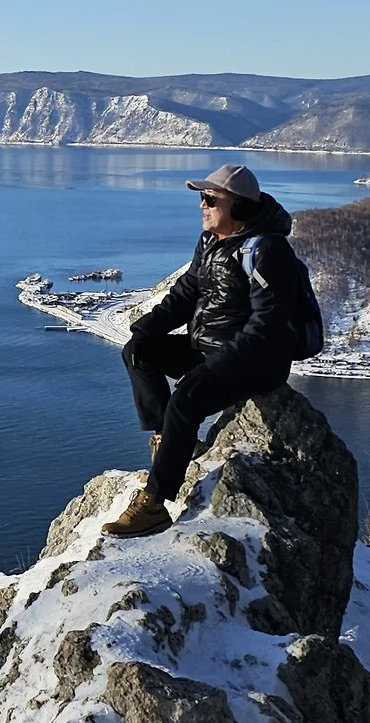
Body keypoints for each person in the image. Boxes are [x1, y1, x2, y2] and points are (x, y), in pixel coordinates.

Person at [103, 163, 310, 537]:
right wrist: (145, 329)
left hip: (256, 361)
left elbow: (267, 327)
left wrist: (216, 367)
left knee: (187, 397)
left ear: (242, 208)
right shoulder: (210, 243)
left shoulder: (267, 251)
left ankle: (154, 503)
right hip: (208, 349)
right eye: (202, 198)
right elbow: (186, 294)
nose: (202, 205)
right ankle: (168, 437)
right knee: (138, 352)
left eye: (211, 199)